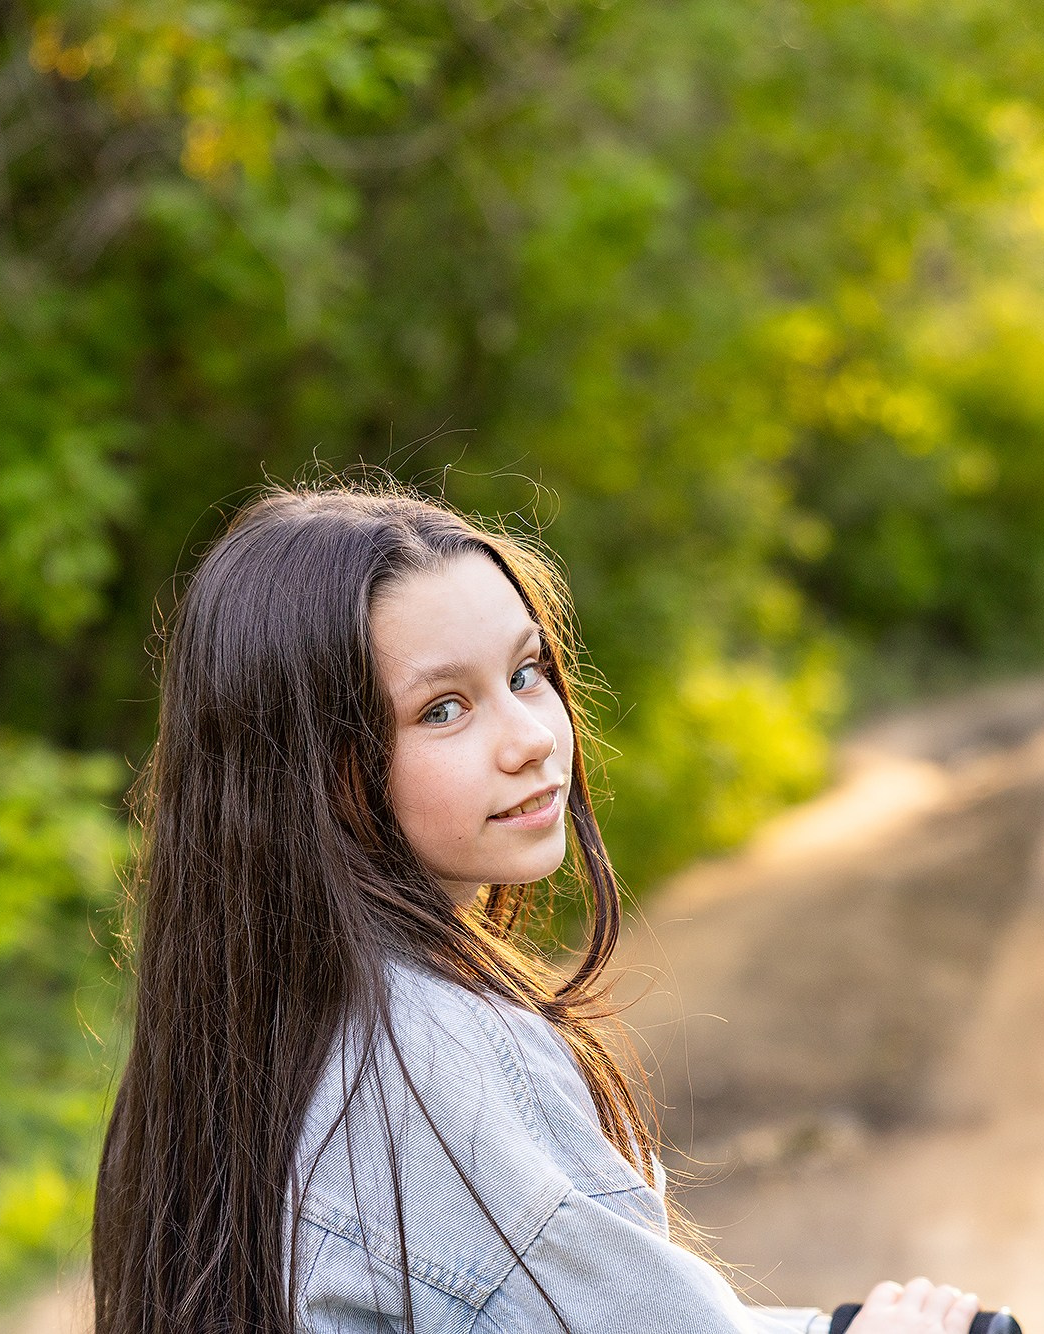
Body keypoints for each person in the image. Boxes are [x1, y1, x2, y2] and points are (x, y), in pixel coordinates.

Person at [92, 484, 984, 1334]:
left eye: (525, 673)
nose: (530, 738)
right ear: (315, 773)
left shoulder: (241, 1029)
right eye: (444, 709)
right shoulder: (435, 1057)